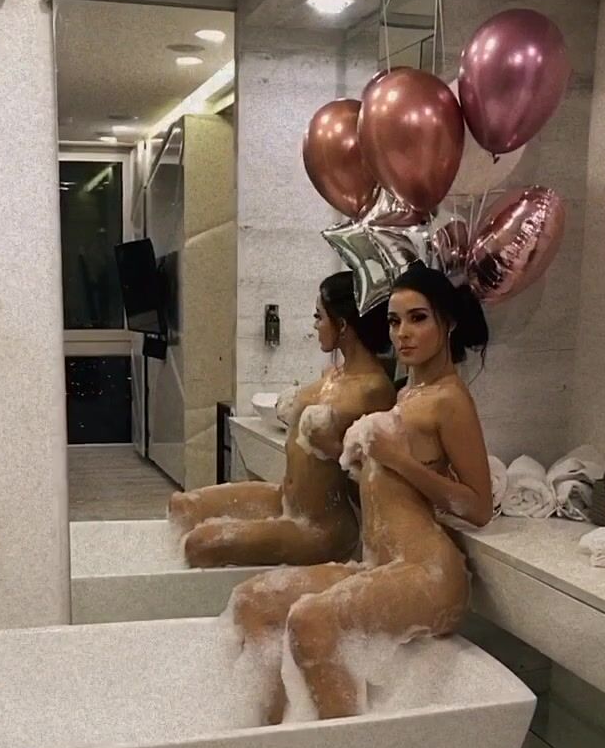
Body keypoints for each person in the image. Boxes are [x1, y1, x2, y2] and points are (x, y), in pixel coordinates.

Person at [230, 261, 493, 723]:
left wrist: (398, 459)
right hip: (380, 563)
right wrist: (344, 454)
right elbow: (385, 488)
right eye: (394, 321)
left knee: (312, 622)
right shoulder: (406, 394)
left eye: (418, 318)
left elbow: (477, 506)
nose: (402, 333)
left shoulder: (451, 399)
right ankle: (263, 733)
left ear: (447, 323)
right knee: (254, 601)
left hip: (428, 572)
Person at [168, 272, 396, 567]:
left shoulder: (374, 389)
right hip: (286, 500)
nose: (315, 325)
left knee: (200, 545)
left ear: (342, 325)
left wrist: (336, 450)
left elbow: (380, 471)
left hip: (319, 527)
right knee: (182, 506)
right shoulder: (333, 375)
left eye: (319, 316)